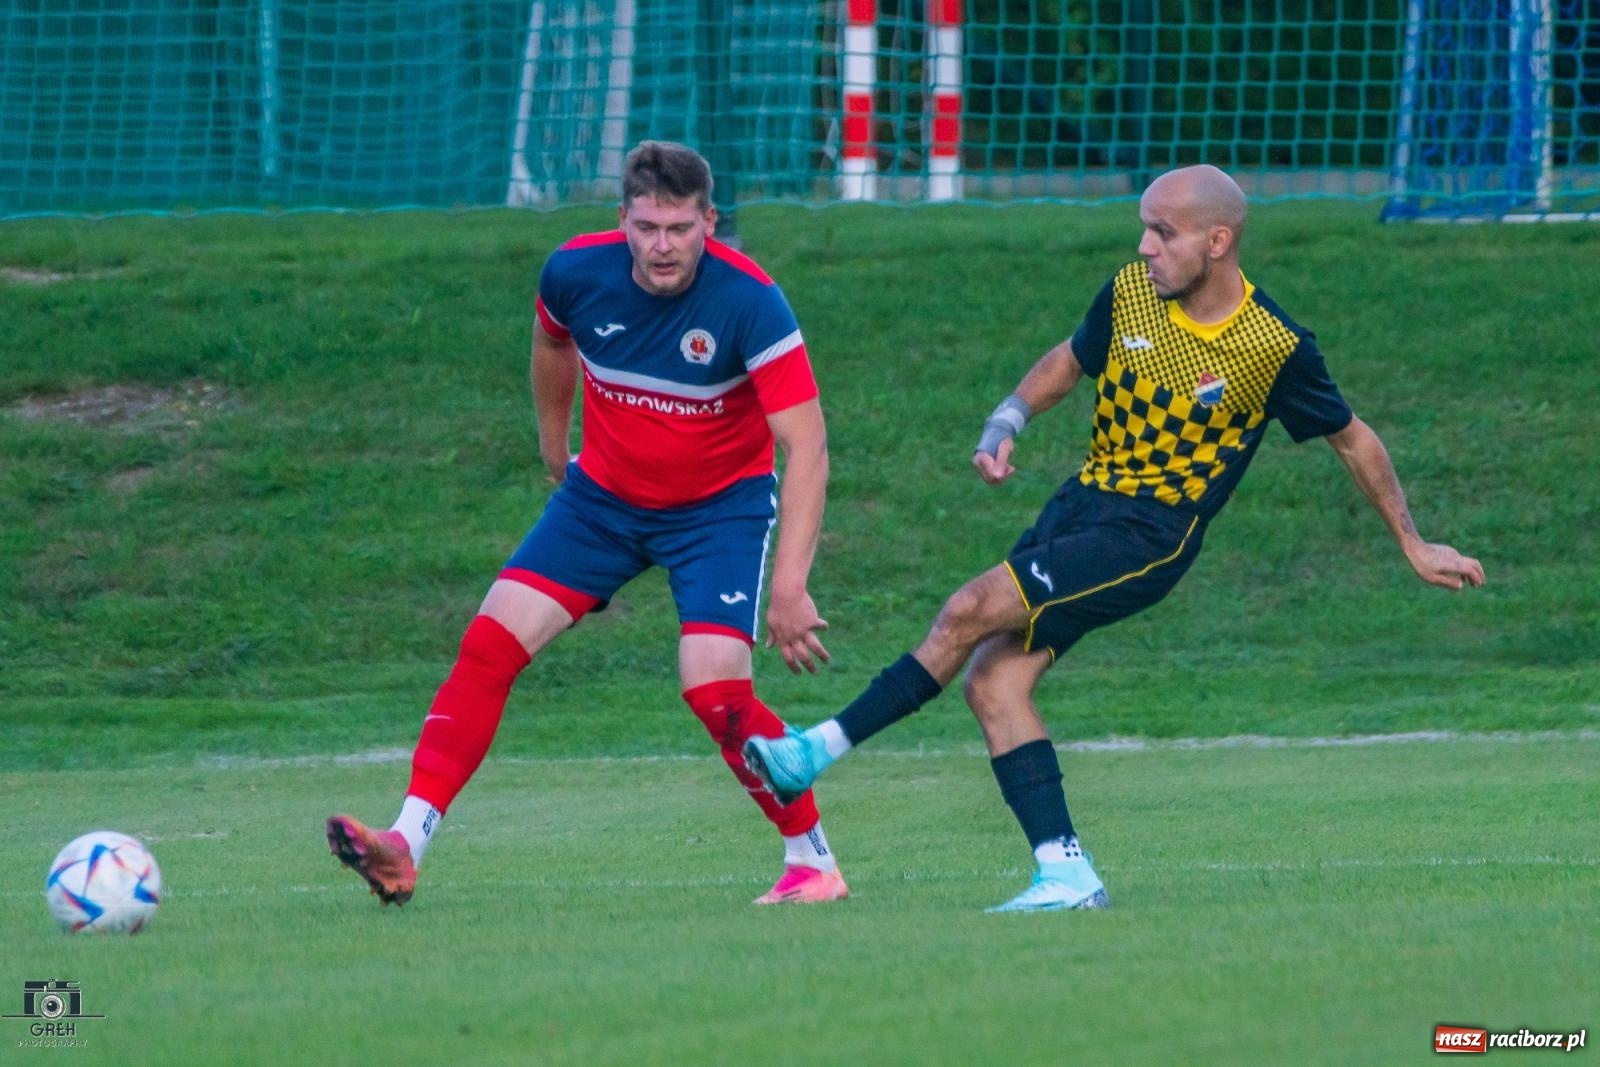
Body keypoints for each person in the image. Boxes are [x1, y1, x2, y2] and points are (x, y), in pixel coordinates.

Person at [743, 164, 1485, 913]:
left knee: (968, 607)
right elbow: (1072, 358)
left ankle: (814, 752)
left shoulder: (1273, 345)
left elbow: (1354, 440)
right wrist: (1008, 418)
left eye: (1163, 231)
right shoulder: (1132, 290)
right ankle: (1065, 872)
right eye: (1145, 227)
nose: (1145, 245)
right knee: (993, 681)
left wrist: (1413, 543)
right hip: (1082, 506)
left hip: (1150, 532)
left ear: (1218, 240)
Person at [327, 140, 847, 907]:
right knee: (488, 644)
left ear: (710, 221)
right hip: (602, 501)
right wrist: (552, 444)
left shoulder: (751, 300)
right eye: (645, 226)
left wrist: (791, 585)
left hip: (718, 512)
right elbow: (550, 342)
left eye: (679, 227)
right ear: (622, 221)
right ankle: (405, 842)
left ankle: (813, 861)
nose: (661, 245)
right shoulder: (575, 272)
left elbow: (807, 444)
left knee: (715, 691)